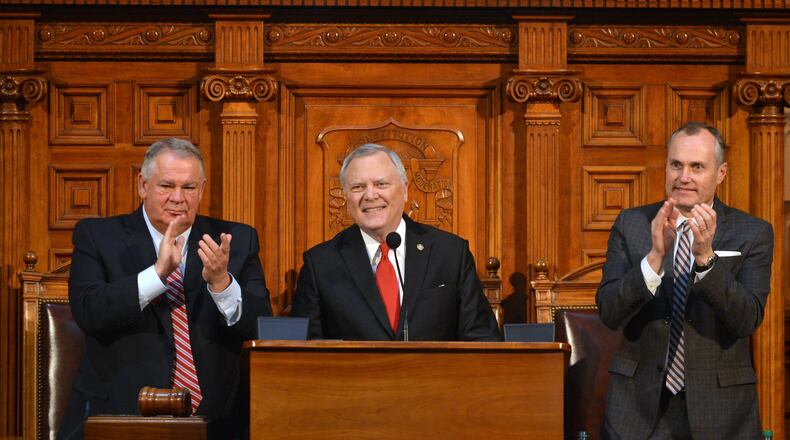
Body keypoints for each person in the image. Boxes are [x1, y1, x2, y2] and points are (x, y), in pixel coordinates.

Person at [59, 138, 272, 439]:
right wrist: (157, 275)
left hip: (219, 420)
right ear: (143, 185)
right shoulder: (97, 236)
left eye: (188, 187)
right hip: (121, 413)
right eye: (166, 186)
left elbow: (263, 328)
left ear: (201, 189)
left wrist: (222, 284)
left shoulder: (234, 240)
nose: (178, 198)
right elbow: (90, 312)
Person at [597, 122, 773, 439]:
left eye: (697, 167)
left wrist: (706, 260)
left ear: (721, 172)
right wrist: (654, 261)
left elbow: (747, 319)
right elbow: (609, 313)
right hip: (637, 410)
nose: (684, 177)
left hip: (722, 414)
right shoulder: (632, 224)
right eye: (676, 164)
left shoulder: (753, 233)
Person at [291, 143, 499, 341]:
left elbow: (482, 338)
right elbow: (306, 351)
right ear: (346, 196)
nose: (370, 195)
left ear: (405, 189)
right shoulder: (320, 264)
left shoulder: (450, 254)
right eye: (357, 187)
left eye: (381, 184)